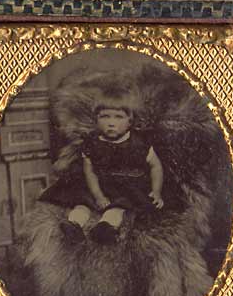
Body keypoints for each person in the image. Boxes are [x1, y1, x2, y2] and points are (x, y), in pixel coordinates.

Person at [40, 96, 165, 244]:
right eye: (104, 116)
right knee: (83, 203)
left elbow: (155, 166)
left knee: (119, 207)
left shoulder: (139, 143)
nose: (111, 123)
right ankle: (73, 225)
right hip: (98, 184)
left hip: (128, 186)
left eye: (119, 117)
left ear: (130, 122)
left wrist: (156, 191)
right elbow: (90, 171)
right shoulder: (92, 143)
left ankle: (105, 228)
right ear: (96, 120)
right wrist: (98, 196)